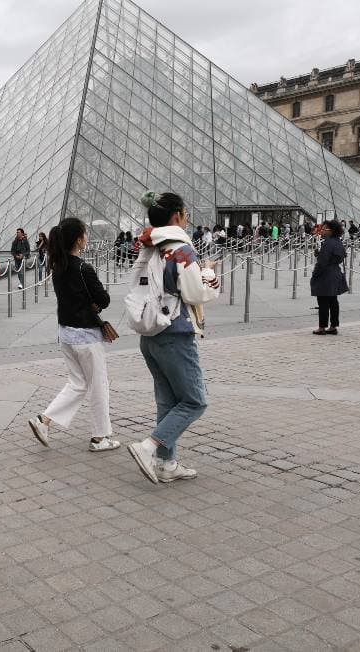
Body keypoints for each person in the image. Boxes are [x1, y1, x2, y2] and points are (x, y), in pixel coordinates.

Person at [126, 191, 220, 485]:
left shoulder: (149, 246)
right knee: (194, 401)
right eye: (186, 213)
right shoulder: (181, 248)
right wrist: (208, 273)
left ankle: (167, 464)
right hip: (175, 334)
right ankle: (148, 447)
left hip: (149, 333)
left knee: (167, 401)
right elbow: (196, 293)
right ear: (178, 216)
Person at [28, 218, 120, 452]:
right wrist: (94, 303)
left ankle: (44, 421)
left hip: (66, 334)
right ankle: (100, 437)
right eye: (85, 234)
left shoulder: (57, 266)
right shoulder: (82, 268)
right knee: (99, 385)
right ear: (79, 239)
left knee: (77, 383)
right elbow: (104, 300)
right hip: (87, 336)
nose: (87, 237)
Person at [310, 219, 347, 335]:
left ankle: (322, 327)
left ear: (331, 231)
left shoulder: (328, 243)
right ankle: (333, 326)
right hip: (335, 273)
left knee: (323, 301)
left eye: (324, 229)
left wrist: (315, 274)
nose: (322, 231)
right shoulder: (338, 242)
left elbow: (322, 263)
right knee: (333, 301)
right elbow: (341, 255)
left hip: (326, 275)